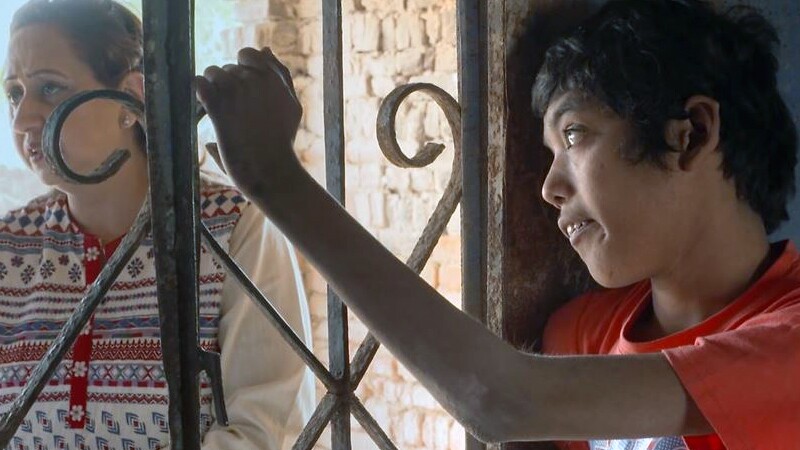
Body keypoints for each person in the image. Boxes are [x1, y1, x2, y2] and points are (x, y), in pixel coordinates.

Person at [196, 0, 799, 449]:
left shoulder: (790, 338)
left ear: (688, 134)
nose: (549, 187)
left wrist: (278, 182)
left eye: (575, 135)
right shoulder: (581, 336)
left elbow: (502, 399)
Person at [0, 1, 314, 449]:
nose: (22, 118)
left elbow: (265, 430)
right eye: (14, 92)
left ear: (131, 97)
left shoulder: (229, 229)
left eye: (49, 88)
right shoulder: (10, 246)